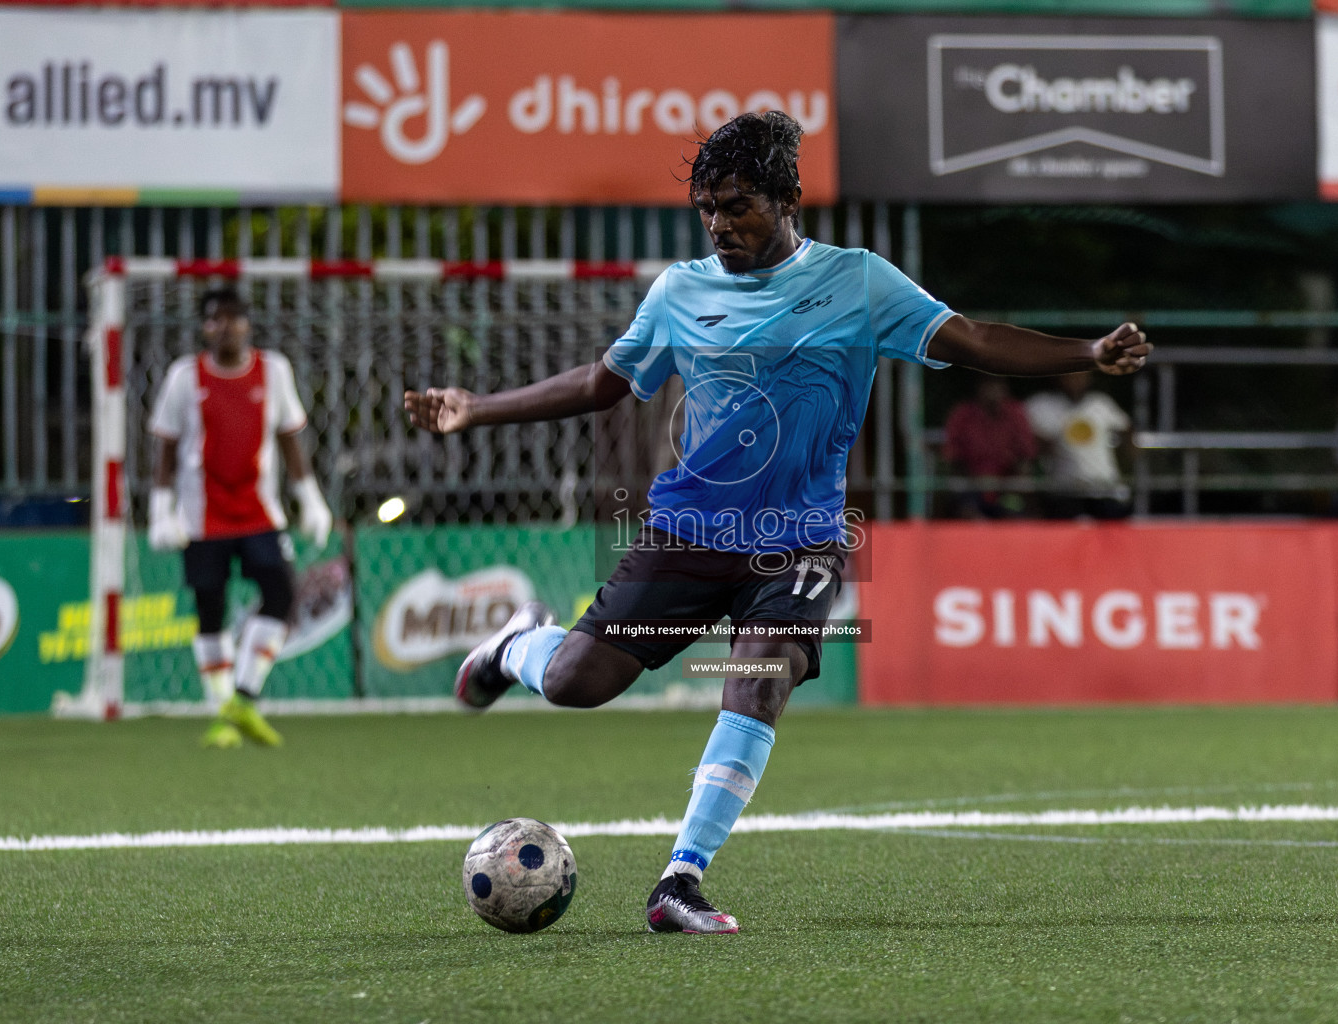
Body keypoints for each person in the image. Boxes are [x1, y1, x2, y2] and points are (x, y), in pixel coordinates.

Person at [405, 111, 1150, 934]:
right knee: (579, 683)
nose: (721, 224)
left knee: (761, 677)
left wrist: (1087, 353)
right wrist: (475, 409)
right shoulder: (681, 290)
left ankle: (679, 881)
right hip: (689, 530)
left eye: (739, 205)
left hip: (800, 539)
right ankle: (517, 643)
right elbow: (602, 383)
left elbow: (970, 339)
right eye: (709, 209)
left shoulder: (860, 281)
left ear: (788, 200)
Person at [147, 286, 333, 749]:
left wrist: (310, 498)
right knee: (209, 608)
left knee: (281, 593)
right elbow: (166, 449)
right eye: (214, 318)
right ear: (204, 327)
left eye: (233, 317)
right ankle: (223, 715)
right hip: (201, 517)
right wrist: (160, 509)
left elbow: (291, 439)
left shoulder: (274, 371)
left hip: (258, 513)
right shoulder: (184, 377)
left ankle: (242, 697)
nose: (224, 326)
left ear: (247, 324)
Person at [1025, 371, 1134, 519]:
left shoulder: (1100, 403)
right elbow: (1030, 444)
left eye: (1081, 376)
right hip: (1065, 491)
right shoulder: (1042, 405)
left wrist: (1124, 457)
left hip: (1104, 489)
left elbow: (1126, 430)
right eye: (1071, 376)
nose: (1075, 381)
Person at [941, 375, 1038, 518]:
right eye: (988, 384)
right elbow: (953, 458)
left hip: (1007, 489)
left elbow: (1026, 457)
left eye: (998, 384)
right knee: (968, 514)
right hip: (971, 488)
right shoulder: (962, 415)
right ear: (979, 387)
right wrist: (976, 482)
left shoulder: (1016, 413)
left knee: (1014, 512)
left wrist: (1010, 483)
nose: (993, 390)